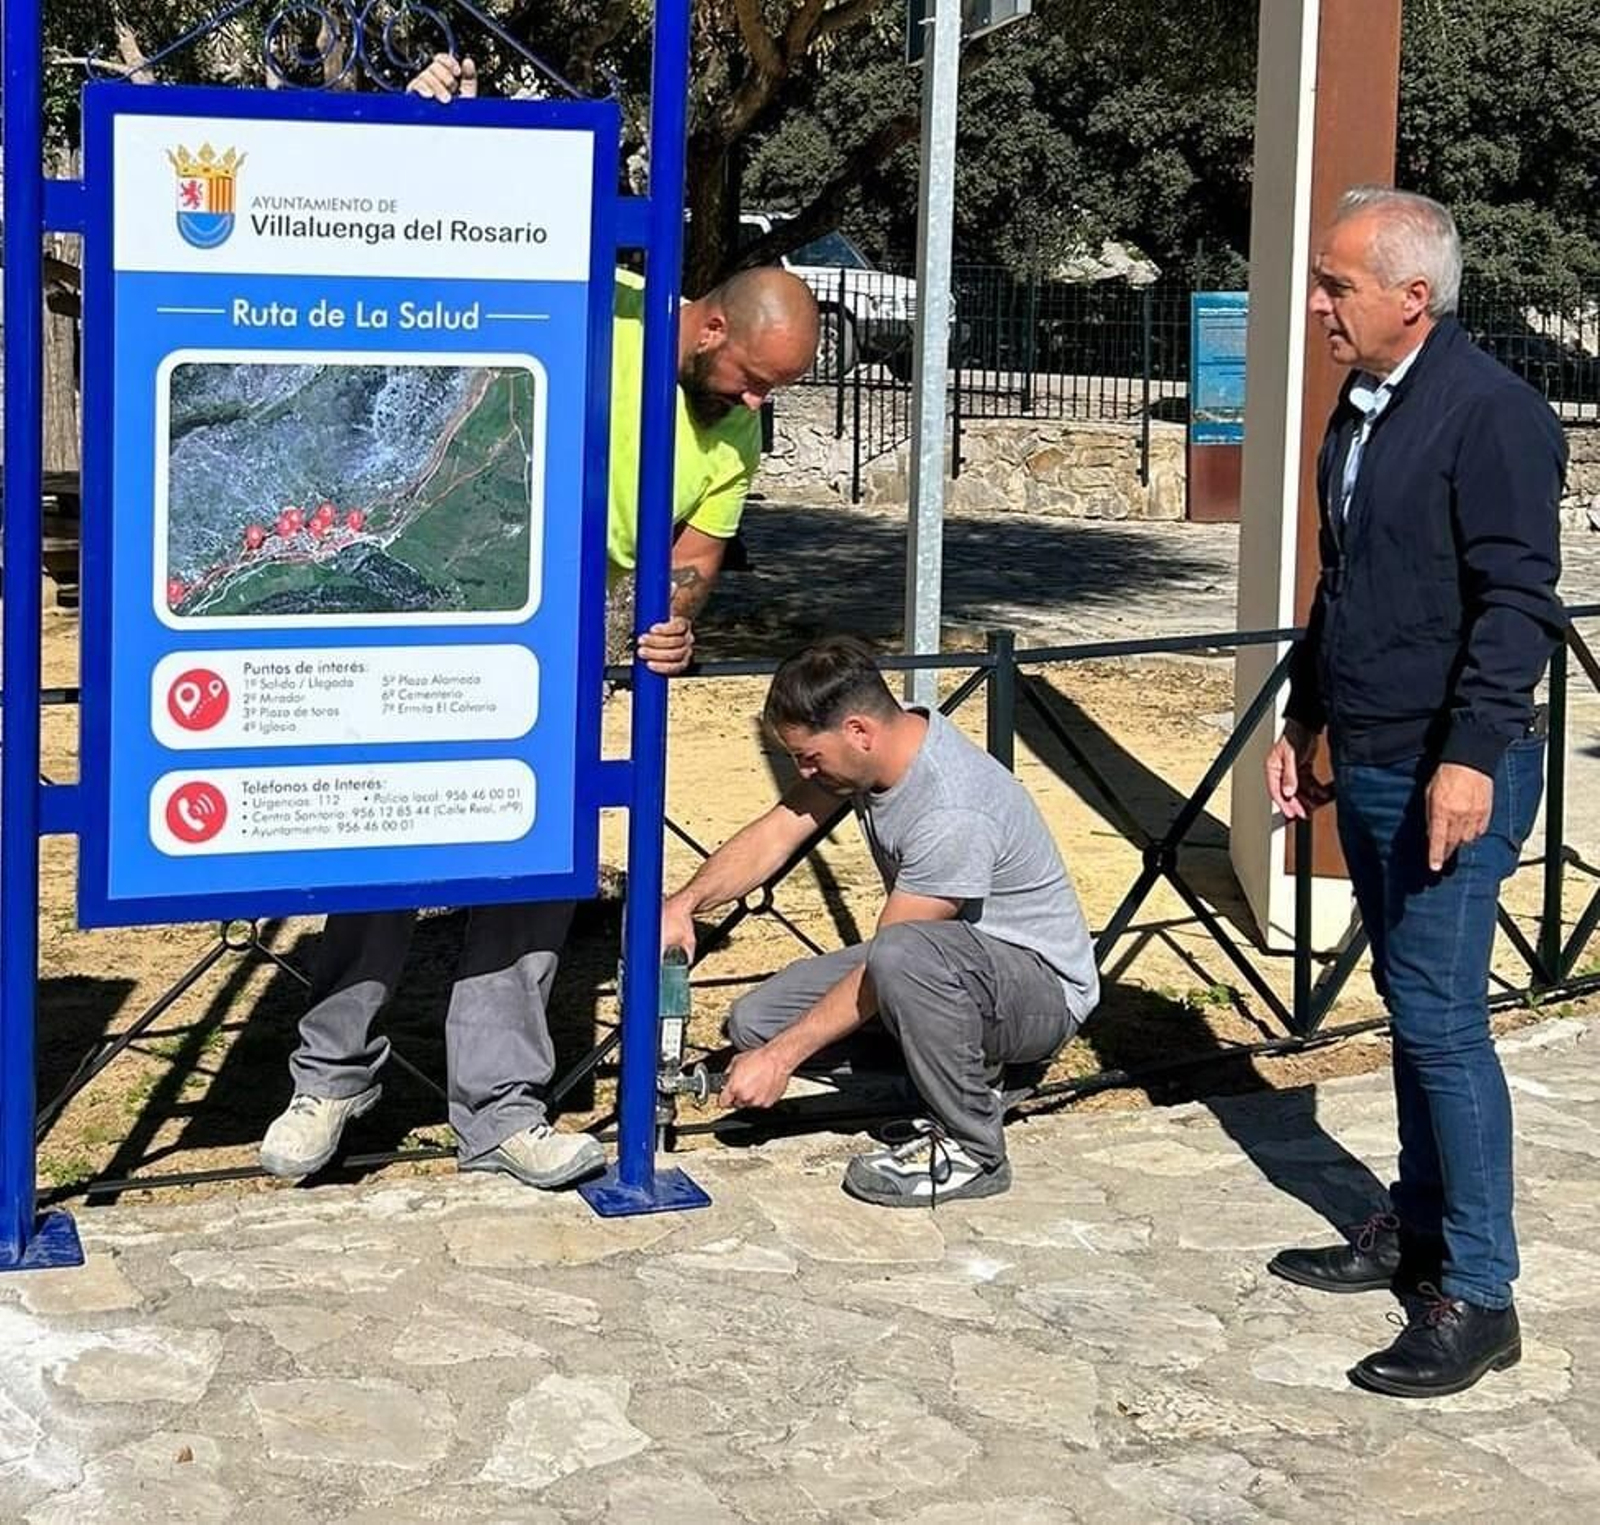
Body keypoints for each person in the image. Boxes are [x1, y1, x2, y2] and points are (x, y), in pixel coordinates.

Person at [258, 77, 820, 1189]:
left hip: (581, 621)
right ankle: (328, 1080)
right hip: (442, 591)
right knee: (386, 836)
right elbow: (437, 258)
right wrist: (426, 120)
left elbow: (689, 564)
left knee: (533, 853)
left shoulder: (729, 435)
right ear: (709, 323)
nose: (756, 407)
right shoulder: (586, 307)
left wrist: (672, 623)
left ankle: (500, 1110)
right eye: (752, 380)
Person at [1264, 187, 1566, 1398]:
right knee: (1408, 1003)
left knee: (1441, 1020)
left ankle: (1478, 1292)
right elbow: (1347, 584)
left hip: (1454, 767)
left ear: (1411, 295)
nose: (1319, 306)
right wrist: (1303, 717)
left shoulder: (1491, 415)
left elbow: (1518, 604)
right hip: (1376, 751)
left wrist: (1467, 759)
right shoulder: (1363, 405)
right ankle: (1420, 1221)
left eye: (1336, 285)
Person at [660, 637, 1099, 1206]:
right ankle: (954, 1078)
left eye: (808, 757)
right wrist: (685, 903)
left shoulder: (950, 808)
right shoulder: (873, 757)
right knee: (756, 1022)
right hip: (948, 966)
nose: (802, 770)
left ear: (859, 732)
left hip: (1038, 989)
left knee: (897, 957)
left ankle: (972, 1147)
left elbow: (893, 955)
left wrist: (781, 1060)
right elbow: (777, 832)